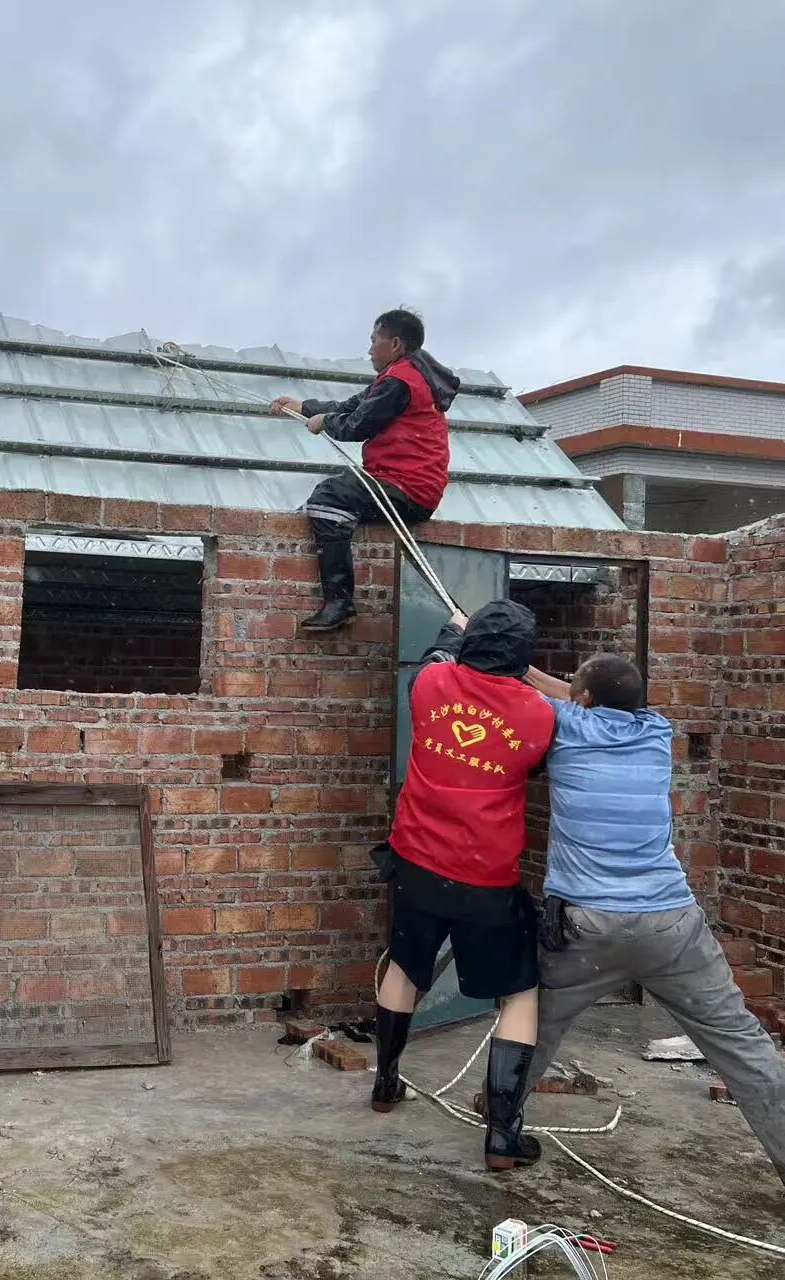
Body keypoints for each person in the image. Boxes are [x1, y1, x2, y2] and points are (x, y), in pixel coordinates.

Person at [522, 654, 785, 1224]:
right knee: (744, 1048)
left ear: (582, 700)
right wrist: (547, 676)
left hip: (586, 927)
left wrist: (502, 657)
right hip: (671, 924)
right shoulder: (657, 732)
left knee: (530, 1029)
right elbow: (582, 695)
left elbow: (552, 698)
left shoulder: (565, 725)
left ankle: (501, 1123)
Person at [369, 600, 557, 1171]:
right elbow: (535, 765)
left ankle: (385, 1085)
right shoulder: (538, 714)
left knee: (405, 968)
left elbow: (437, 653)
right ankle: (503, 1135)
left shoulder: (431, 685)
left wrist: (454, 624)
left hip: (417, 862)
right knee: (519, 993)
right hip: (486, 877)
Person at [270, 309, 460, 632]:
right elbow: (352, 406)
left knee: (328, 498)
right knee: (337, 496)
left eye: (374, 340)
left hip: (406, 488)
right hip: (408, 486)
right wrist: (303, 407)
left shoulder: (400, 380)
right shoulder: (402, 375)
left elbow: (357, 424)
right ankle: (339, 599)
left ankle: (339, 603)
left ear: (395, 343)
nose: (369, 349)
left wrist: (324, 422)